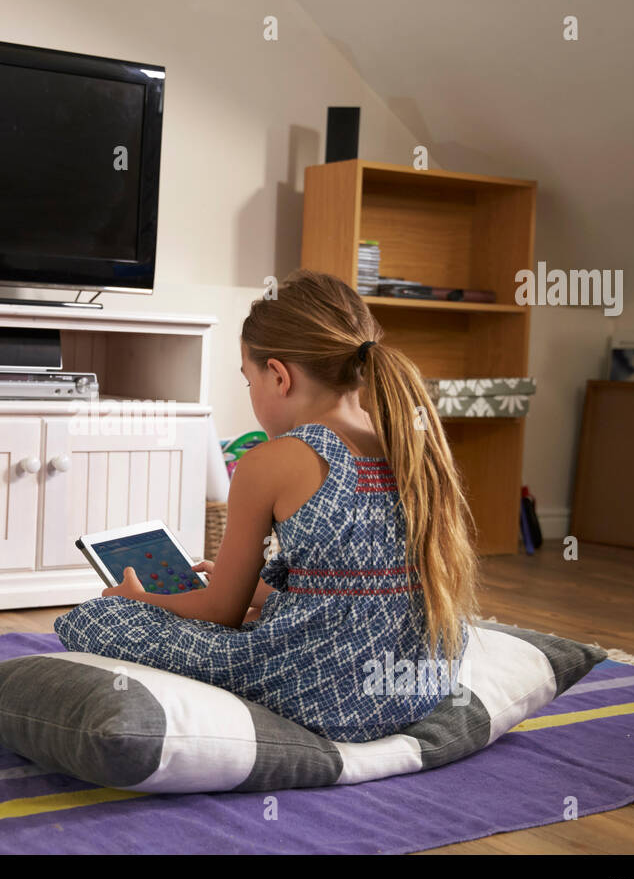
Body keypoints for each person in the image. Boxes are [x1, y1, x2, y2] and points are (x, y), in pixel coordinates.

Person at [53, 269, 480, 742]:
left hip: (326, 692)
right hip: (421, 687)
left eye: (248, 381)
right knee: (256, 610)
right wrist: (260, 592)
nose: (251, 394)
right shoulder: (410, 442)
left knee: (95, 618)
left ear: (278, 375)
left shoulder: (273, 461)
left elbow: (219, 614)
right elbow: (368, 587)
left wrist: (139, 599)